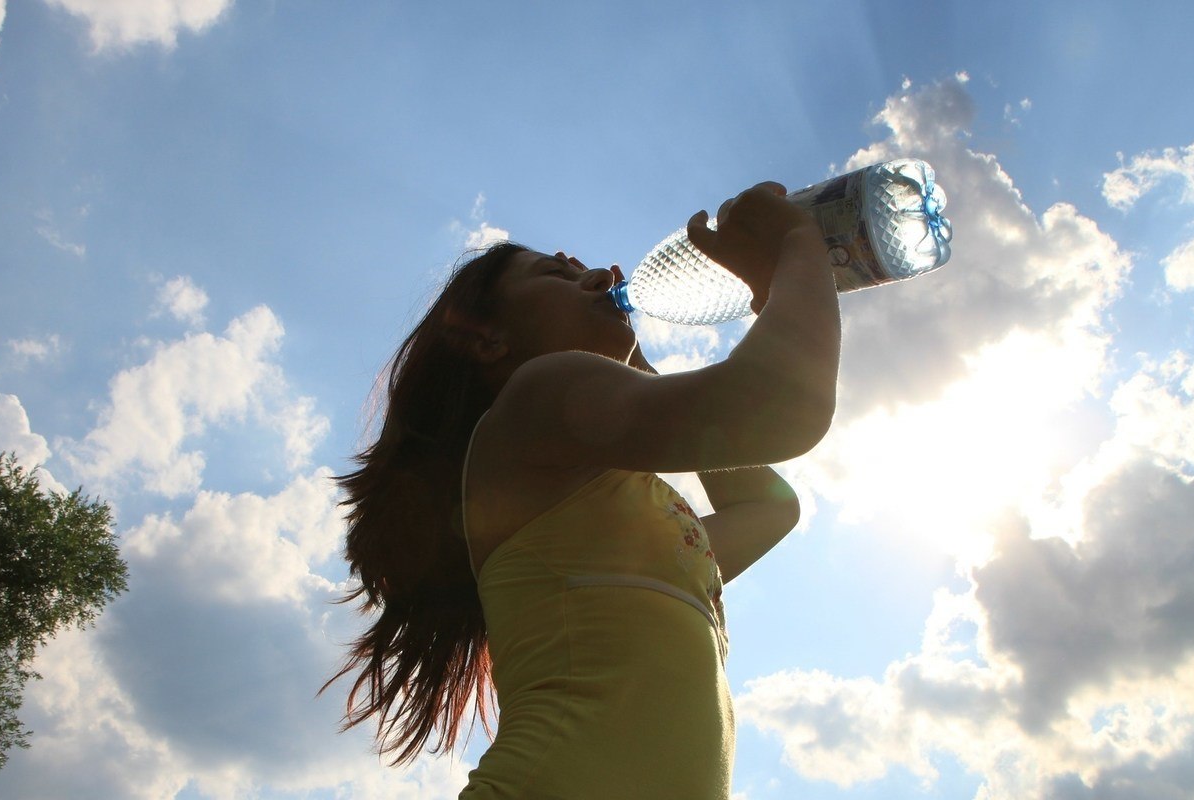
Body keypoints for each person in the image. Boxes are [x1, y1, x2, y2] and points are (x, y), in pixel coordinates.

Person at [324, 182, 841, 799]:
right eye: (558, 274)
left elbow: (771, 508)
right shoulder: (537, 396)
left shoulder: (621, 524)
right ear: (490, 338)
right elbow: (782, 408)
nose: (602, 274)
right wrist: (795, 245)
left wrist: (642, 363)